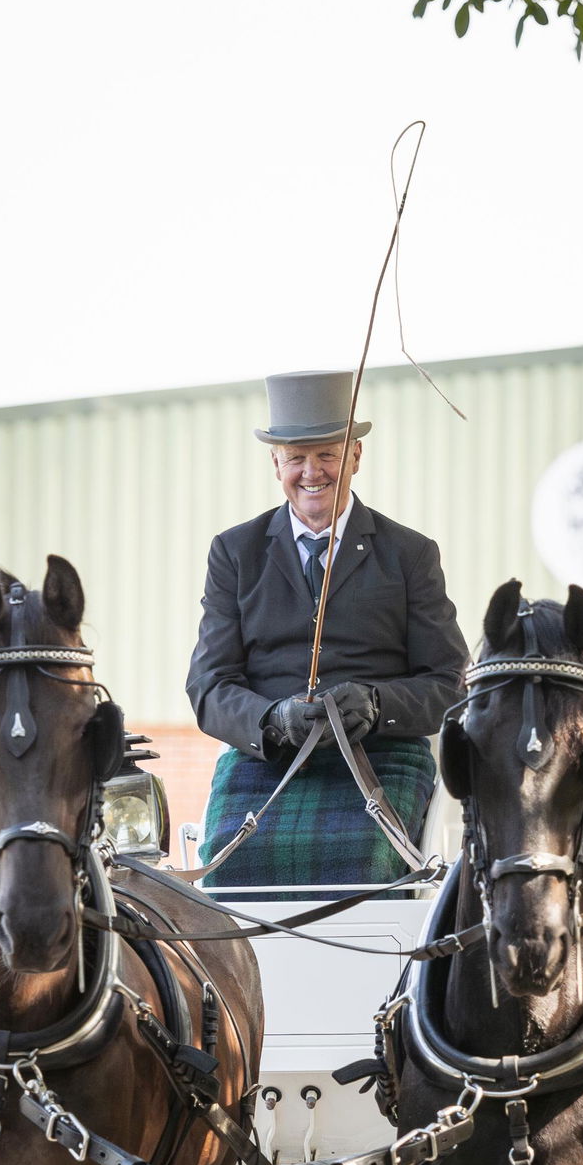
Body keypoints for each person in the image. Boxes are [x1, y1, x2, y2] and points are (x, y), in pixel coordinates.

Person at [186, 369, 467, 887]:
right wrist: (272, 718)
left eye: (327, 454)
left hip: (380, 756)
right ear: (276, 464)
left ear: (355, 456)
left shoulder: (410, 554)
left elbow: (449, 683)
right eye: (296, 457)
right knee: (228, 869)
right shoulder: (235, 552)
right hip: (267, 759)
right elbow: (208, 687)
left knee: (368, 865)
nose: (311, 472)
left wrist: (379, 705)